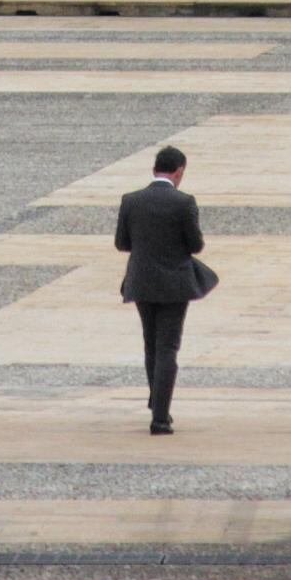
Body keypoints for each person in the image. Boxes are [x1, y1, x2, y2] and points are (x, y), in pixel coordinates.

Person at [116, 143, 212, 435]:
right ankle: (160, 416)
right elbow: (195, 245)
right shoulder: (184, 202)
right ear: (179, 171)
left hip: (141, 281)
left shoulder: (131, 200)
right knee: (168, 347)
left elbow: (122, 243)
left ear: (154, 169)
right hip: (174, 284)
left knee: (151, 343)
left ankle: (157, 402)